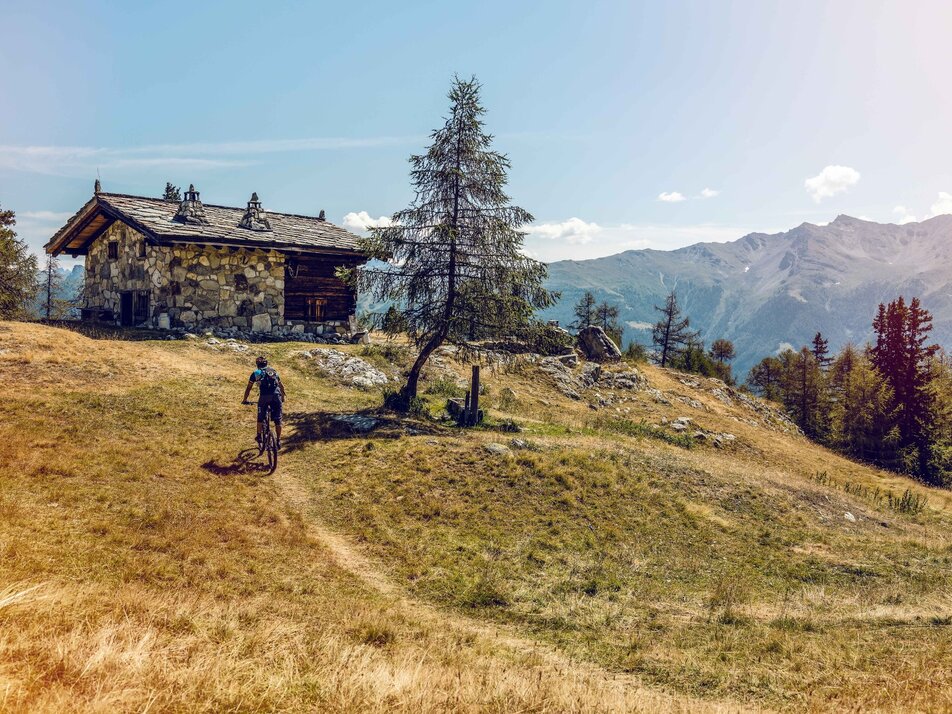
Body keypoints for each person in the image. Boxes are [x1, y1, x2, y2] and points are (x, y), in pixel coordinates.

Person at [241, 356, 286, 449]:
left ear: (257, 365)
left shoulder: (256, 373)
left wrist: (245, 399)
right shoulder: (273, 371)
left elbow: (249, 387)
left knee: (260, 417)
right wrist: (282, 397)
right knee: (278, 420)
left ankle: (258, 436)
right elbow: (281, 385)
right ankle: (278, 440)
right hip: (276, 396)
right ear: (266, 364)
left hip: (264, 396)